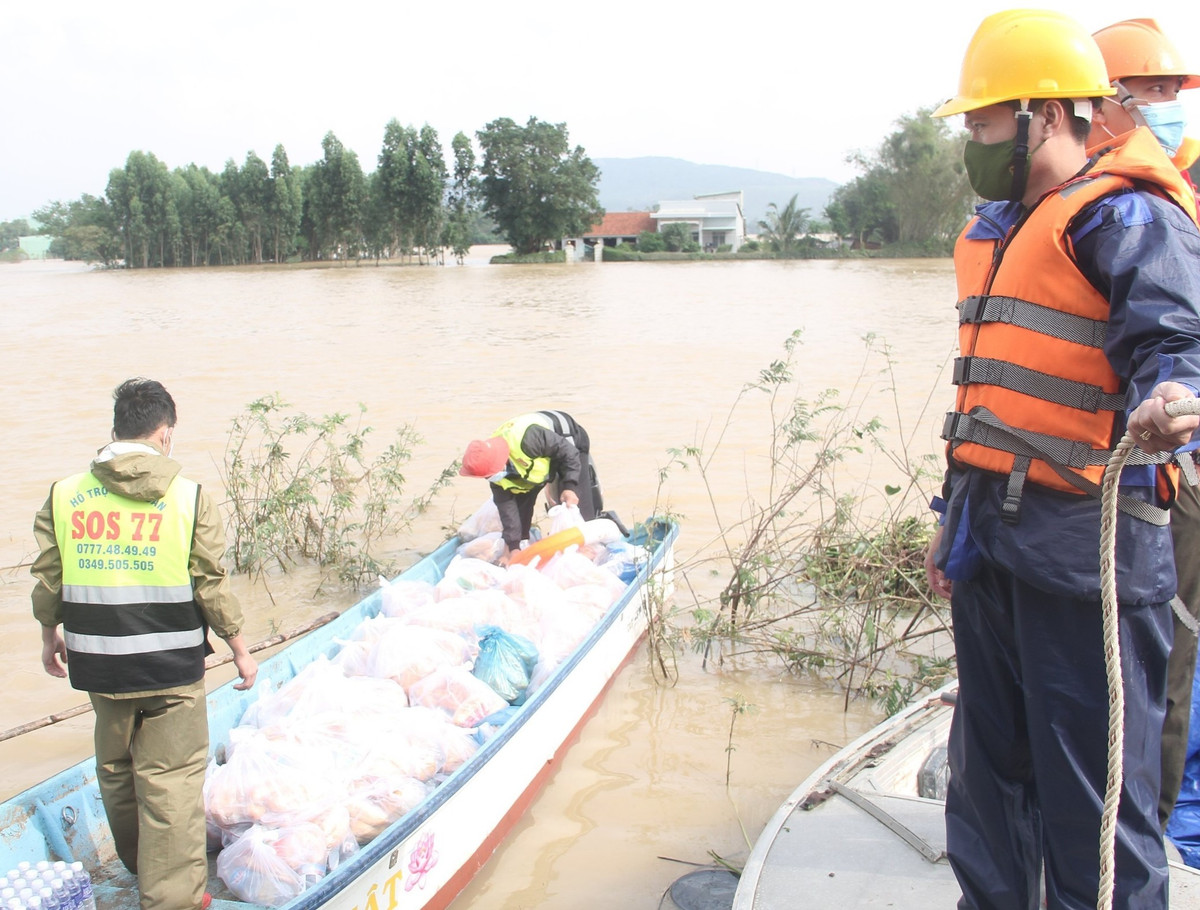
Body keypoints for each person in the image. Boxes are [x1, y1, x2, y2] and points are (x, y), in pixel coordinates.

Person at [923, 10, 1200, 908]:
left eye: (983, 120)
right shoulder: (998, 228)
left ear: (1046, 112)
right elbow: (984, 401)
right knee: (987, 783)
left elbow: (1178, 340)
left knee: (1096, 806)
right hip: (991, 541)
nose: (972, 139)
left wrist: (1171, 400)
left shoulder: (1123, 217)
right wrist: (947, 526)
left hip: (1087, 550)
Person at [31, 378, 258, 910]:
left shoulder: (65, 494)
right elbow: (210, 582)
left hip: (99, 666)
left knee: (116, 770)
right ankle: (171, 898)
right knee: (171, 781)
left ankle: (140, 869)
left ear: (115, 432)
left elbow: (49, 577)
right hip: (171, 669)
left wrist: (49, 635)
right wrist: (240, 647)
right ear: (165, 434)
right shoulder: (188, 495)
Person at [1088, 18, 1200, 832]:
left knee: (1173, 660)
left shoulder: (1169, 196)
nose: (1166, 106)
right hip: (1126, 471)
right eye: (1149, 91)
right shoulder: (1088, 206)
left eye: (1172, 91)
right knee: (1143, 657)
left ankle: (1163, 834)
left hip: (1177, 456)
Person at [459, 410, 601, 562]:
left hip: (570, 441)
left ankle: (591, 556)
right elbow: (509, 510)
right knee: (520, 510)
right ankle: (523, 546)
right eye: (486, 477)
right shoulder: (494, 473)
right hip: (535, 461)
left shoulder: (528, 440)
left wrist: (570, 487)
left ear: (500, 462)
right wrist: (513, 547)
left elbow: (569, 454)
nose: (490, 478)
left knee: (575, 507)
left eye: (490, 474)